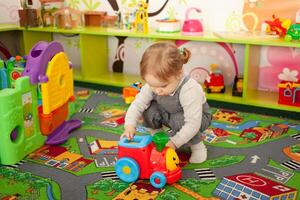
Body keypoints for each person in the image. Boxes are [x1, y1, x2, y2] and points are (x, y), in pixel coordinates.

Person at [121, 42, 212, 163]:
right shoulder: (154, 86)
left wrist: (174, 143)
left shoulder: (189, 89)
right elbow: (138, 104)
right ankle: (158, 136)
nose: (157, 90)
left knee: (180, 120)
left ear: (178, 74)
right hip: (169, 112)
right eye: (152, 85)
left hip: (198, 118)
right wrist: (129, 125)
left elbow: (193, 123)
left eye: (163, 86)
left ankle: (198, 146)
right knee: (148, 109)